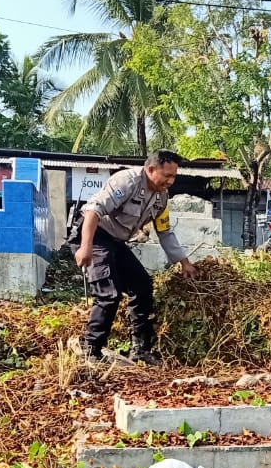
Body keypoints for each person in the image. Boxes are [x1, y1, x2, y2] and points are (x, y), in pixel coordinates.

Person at [71, 150, 198, 364]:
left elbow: (165, 231)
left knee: (142, 286)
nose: (171, 181)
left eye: (174, 176)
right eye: (167, 175)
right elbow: (93, 211)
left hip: (116, 242)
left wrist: (184, 263)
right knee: (109, 293)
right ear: (150, 169)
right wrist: (86, 247)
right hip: (95, 236)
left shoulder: (162, 198)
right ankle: (90, 348)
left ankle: (140, 350)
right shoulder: (126, 181)